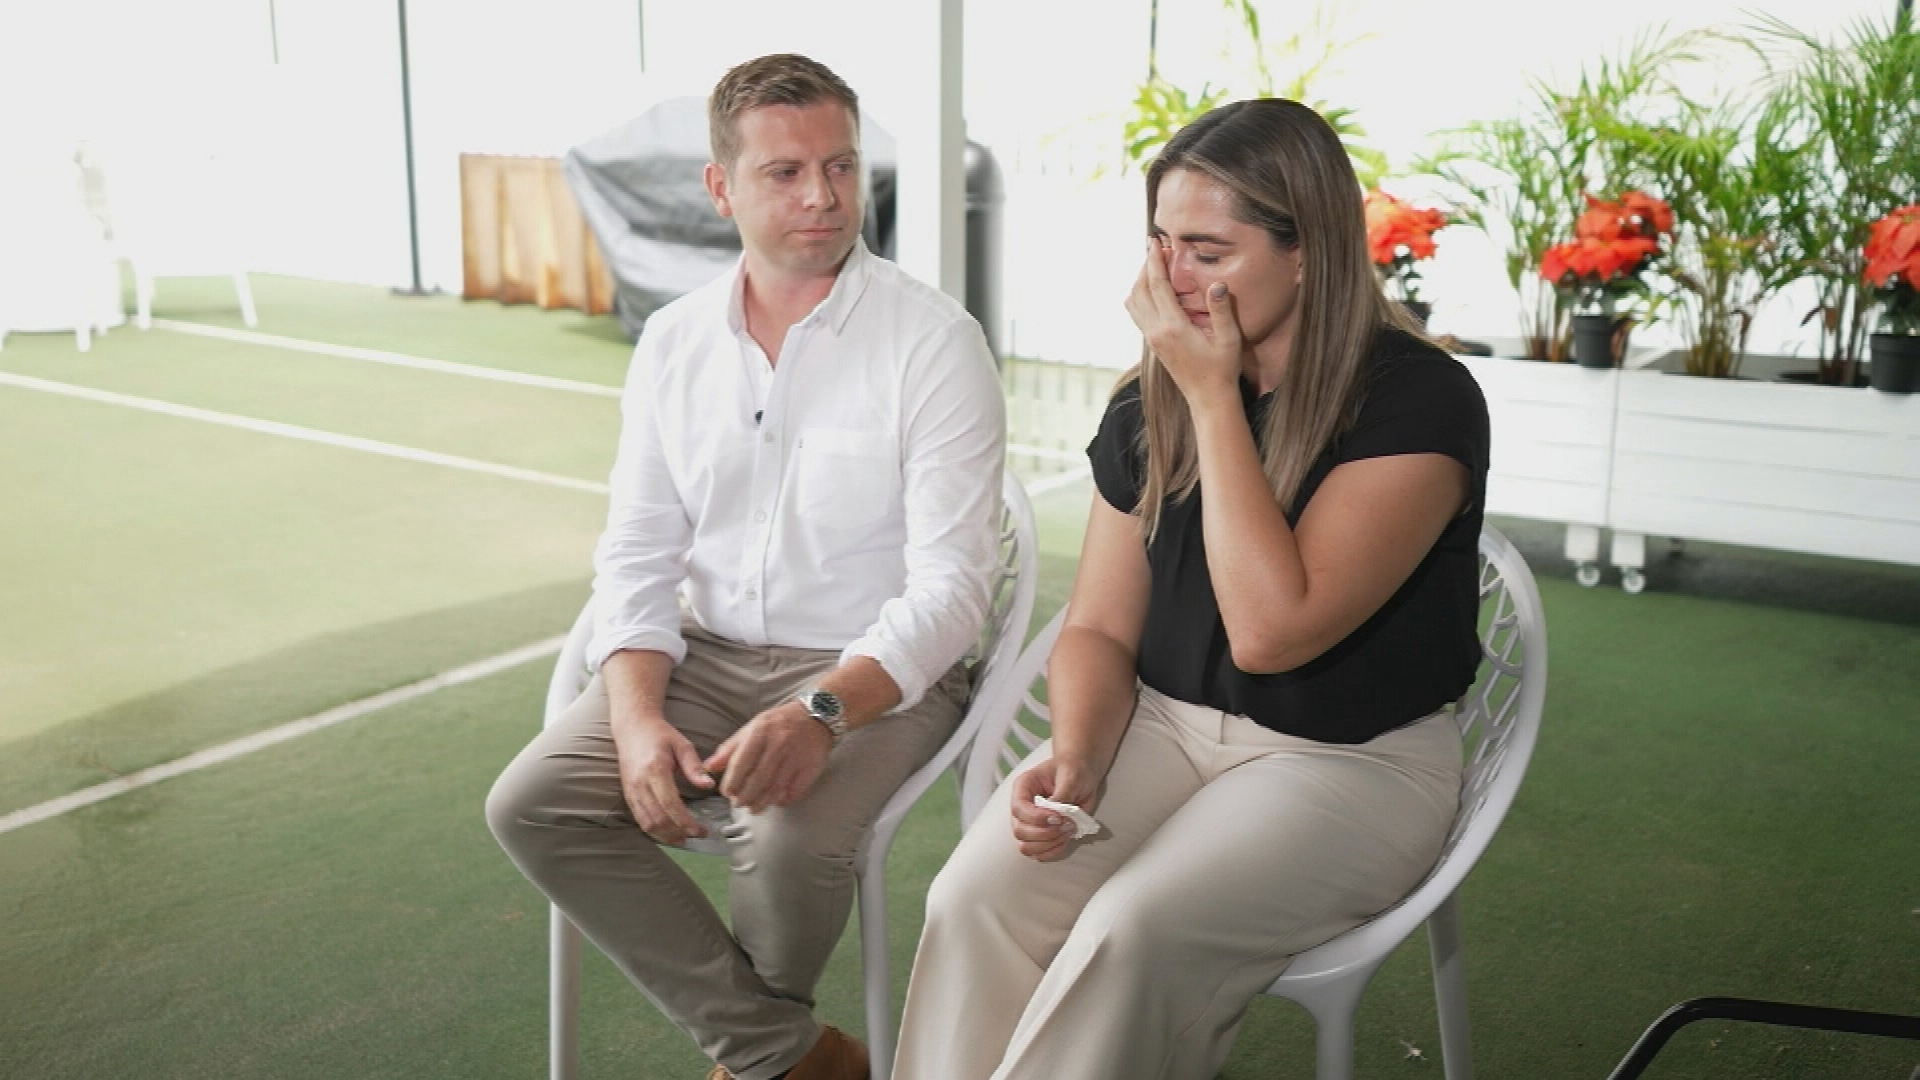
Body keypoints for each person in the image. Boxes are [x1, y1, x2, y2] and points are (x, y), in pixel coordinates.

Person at [891, 98, 1490, 1080]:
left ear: (1310, 253)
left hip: (1351, 763)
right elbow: (1096, 627)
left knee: (1134, 929)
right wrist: (1079, 755)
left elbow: (1271, 632)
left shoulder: (1420, 399)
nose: (1173, 281)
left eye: (1209, 252)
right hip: (1163, 729)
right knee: (973, 900)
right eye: (1161, 243)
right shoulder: (1150, 398)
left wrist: (1213, 398)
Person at [487, 53, 1005, 1080]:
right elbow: (638, 553)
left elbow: (953, 591)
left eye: (842, 166)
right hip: (708, 656)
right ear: (721, 186)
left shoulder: (935, 343)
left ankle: (753, 1063)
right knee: (529, 802)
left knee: (782, 839)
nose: (824, 196)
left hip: (879, 673)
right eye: (785, 172)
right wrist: (636, 720)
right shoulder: (674, 342)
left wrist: (821, 711)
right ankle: (794, 1058)